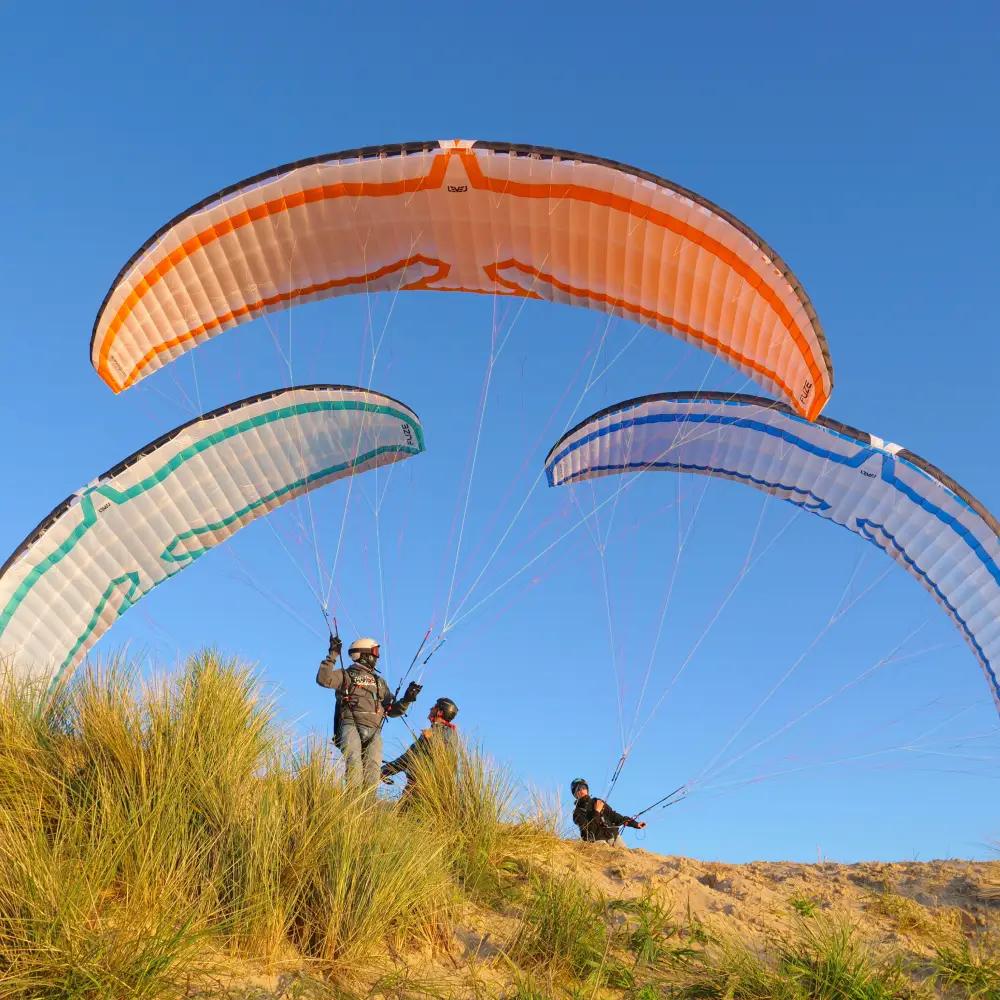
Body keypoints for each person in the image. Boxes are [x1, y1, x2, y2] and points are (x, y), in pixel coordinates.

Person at [316, 634, 421, 789]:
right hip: (351, 724)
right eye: (375, 653)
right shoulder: (346, 674)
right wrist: (333, 654)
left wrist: (407, 699)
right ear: (365, 655)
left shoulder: (380, 682)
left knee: (373, 771)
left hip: (374, 731)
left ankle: (367, 804)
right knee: (354, 764)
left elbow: (391, 710)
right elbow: (323, 679)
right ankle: (353, 802)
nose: (377, 657)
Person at [381, 697, 459, 798]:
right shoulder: (431, 731)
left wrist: (431, 739)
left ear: (440, 712)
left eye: (434, 707)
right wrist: (385, 770)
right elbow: (408, 757)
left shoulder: (450, 732)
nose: (431, 709)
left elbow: (447, 756)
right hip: (413, 787)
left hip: (432, 789)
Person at [570, 778, 646, 843]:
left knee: (627, 854)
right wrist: (597, 812)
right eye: (578, 789)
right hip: (598, 842)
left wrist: (635, 824)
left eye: (583, 787)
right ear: (575, 794)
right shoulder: (577, 813)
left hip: (613, 837)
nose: (582, 790)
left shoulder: (597, 801)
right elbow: (589, 833)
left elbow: (614, 816)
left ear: (587, 789)